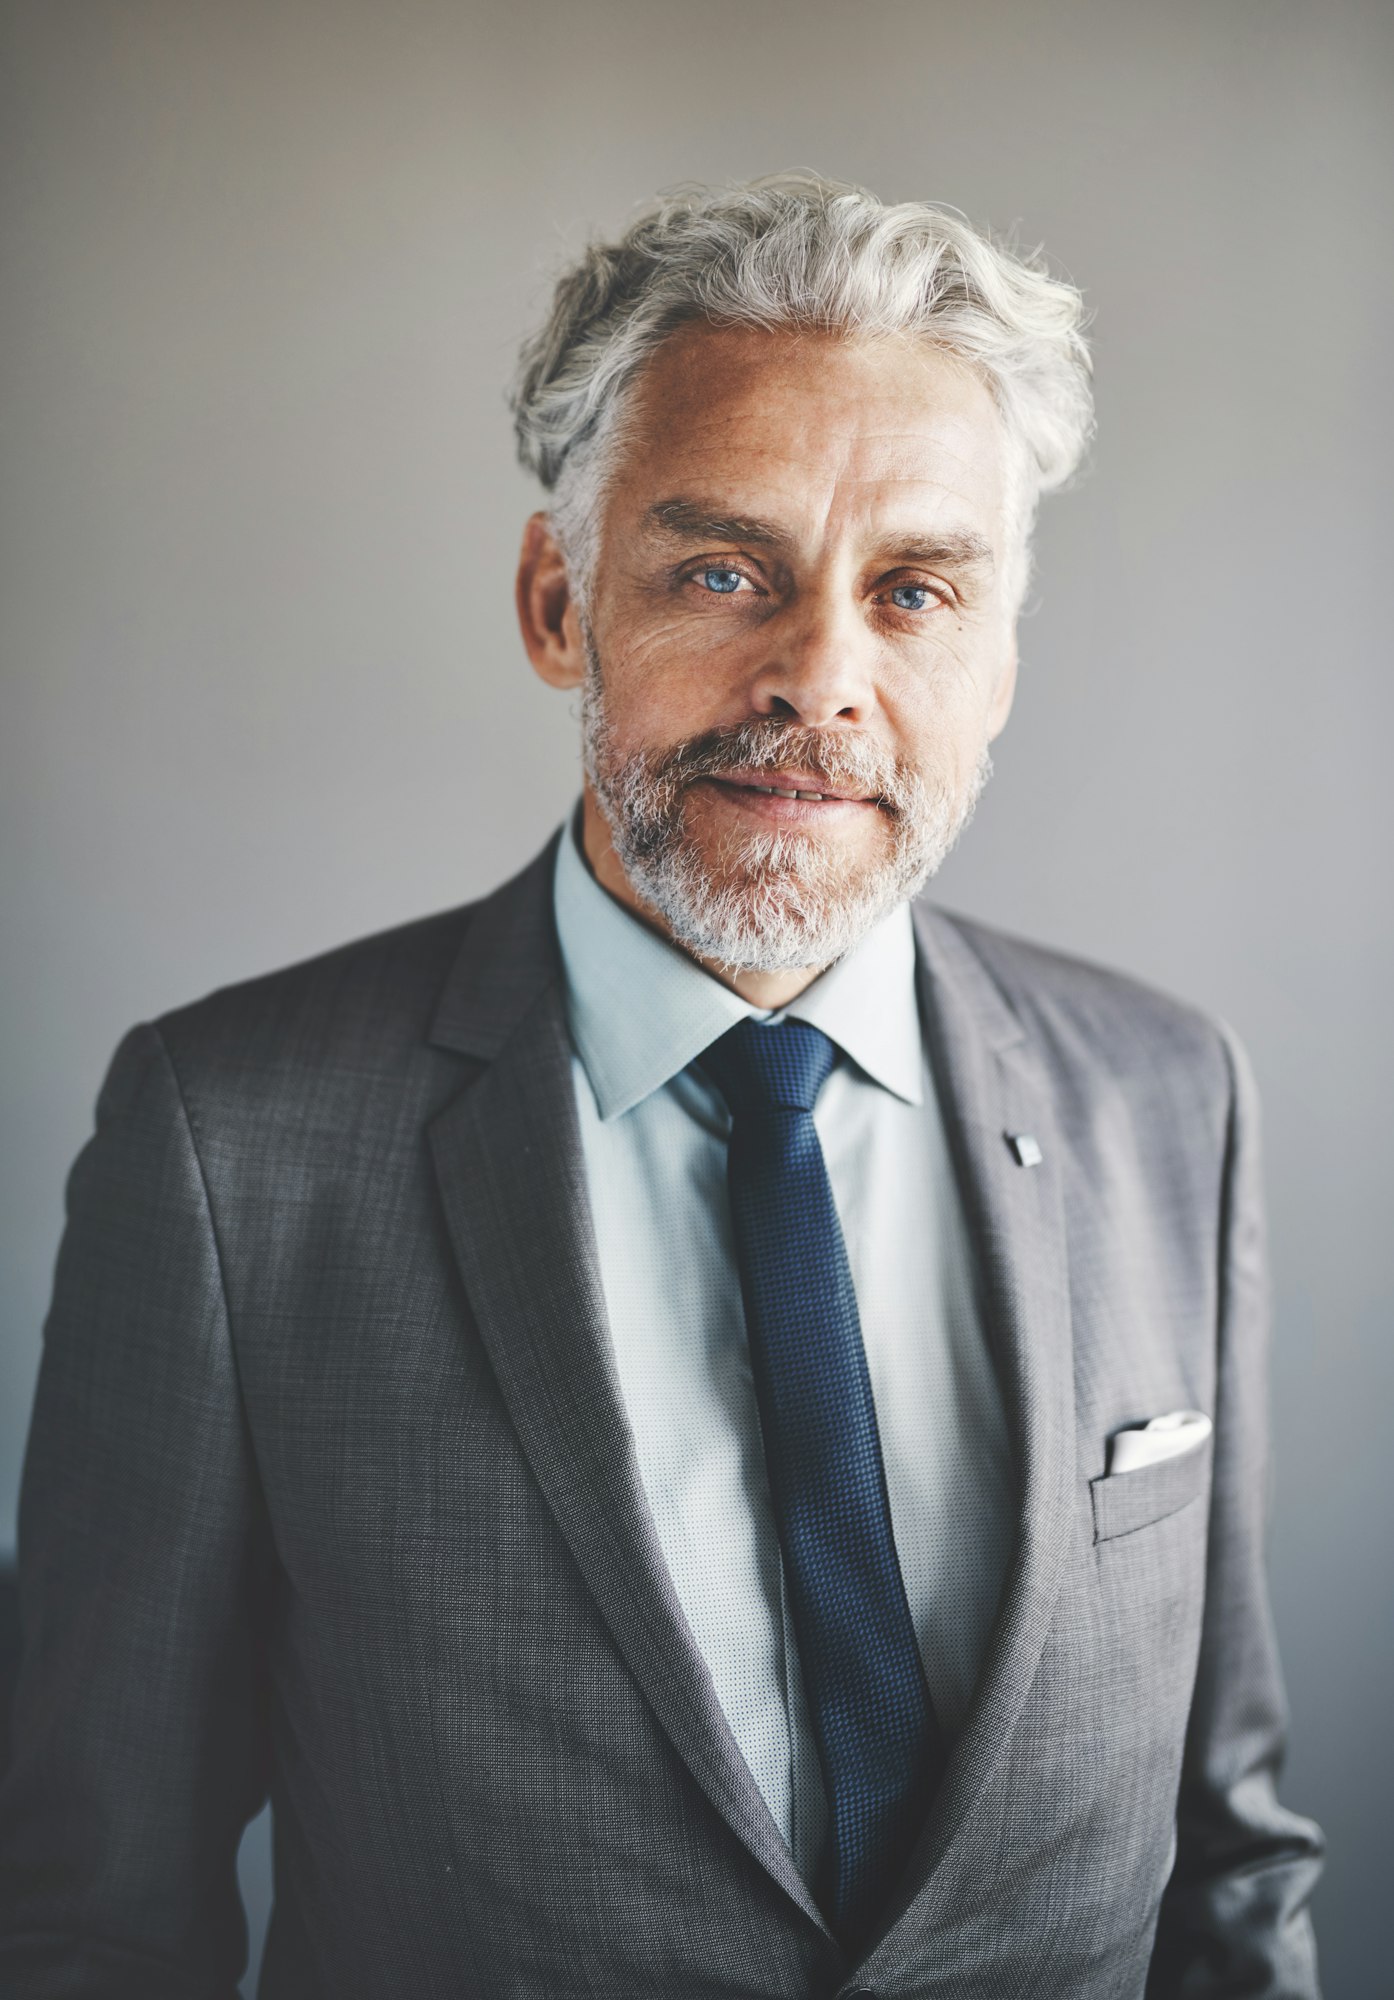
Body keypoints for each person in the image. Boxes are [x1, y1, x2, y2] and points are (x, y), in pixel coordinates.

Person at [0, 173, 1323, 1999]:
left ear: (999, 655)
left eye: (916, 589)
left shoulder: (1174, 1101)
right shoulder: (228, 1144)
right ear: (560, 601)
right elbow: (87, 1916)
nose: (818, 680)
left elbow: (1231, 1863)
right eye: (723, 570)